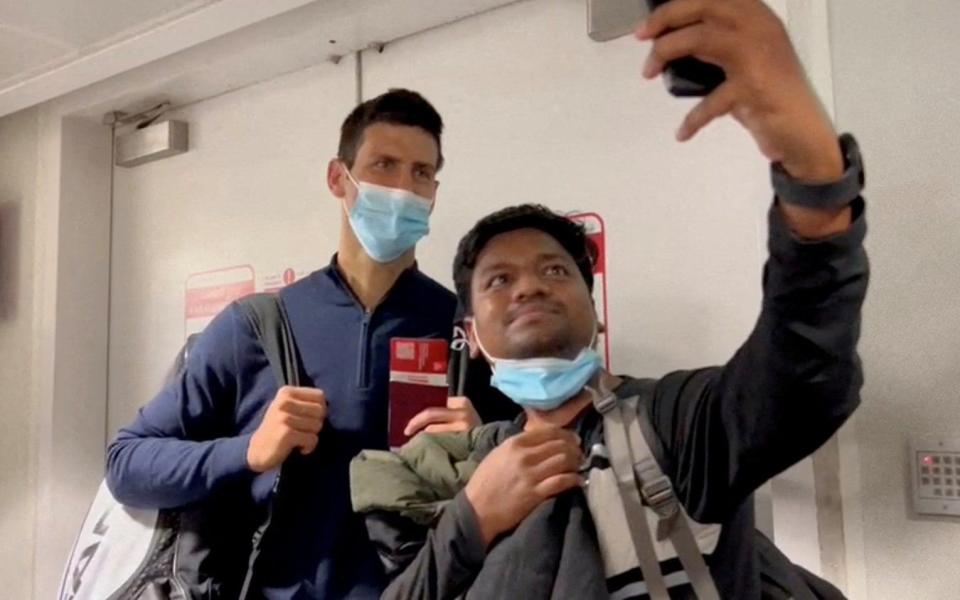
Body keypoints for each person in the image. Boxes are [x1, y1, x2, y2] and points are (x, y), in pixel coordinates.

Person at [369, 1, 869, 598]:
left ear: (595, 310)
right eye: (498, 280)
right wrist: (470, 520)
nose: (529, 285)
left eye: (554, 270)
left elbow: (802, 372)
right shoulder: (473, 471)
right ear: (472, 336)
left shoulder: (671, 425)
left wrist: (813, 176)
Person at [106, 89, 483, 599]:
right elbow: (127, 464)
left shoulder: (466, 331)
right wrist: (249, 452)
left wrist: (485, 446)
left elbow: (533, 480)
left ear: (434, 192)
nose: (402, 188)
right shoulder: (258, 326)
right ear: (338, 178)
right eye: (383, 165)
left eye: (420, 173)